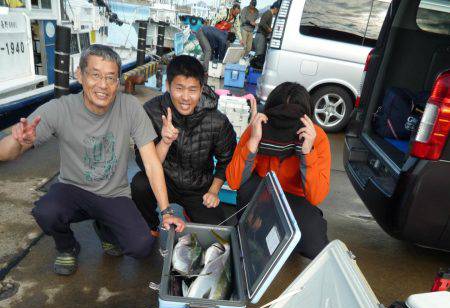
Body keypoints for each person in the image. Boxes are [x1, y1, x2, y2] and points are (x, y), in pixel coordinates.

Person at [0, 45, 184, 276]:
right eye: (95, 75)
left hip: (113, 194)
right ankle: (68, 247)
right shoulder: (60, 109)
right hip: (72, 189)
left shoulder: (130, 108)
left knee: (142, 246)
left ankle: (104, 226)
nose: (103, 85)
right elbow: (6, 153)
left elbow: (151, 162)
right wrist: (18, 140)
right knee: (46, 211)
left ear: (118, 81)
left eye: (110, 78)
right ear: (80, 75)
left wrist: (166, 211)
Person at [226, 82, 331, 259]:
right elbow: (234, 181)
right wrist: (253, 142)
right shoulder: (259, 128)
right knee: (253, 237)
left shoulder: (317, 137)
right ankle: (260, 230)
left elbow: (316, 196)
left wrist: (307, 152)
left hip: (296, 198)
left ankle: (284, 235)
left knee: (316, 246)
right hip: (264, 190)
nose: (284, 124)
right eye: (280, 115)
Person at [131, 55, 237, 228]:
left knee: (216, 234)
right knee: (139, 185)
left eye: (192, 89)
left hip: (199, 186)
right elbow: (146, 164)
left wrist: (214, 190)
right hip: (163, 179)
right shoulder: (151, 111)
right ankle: (150, 226)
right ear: (168, 85)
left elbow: (227, 159)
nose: (186, 97)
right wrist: (165, 142)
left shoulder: (217, 120)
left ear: (202, 88)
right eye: (179, 88)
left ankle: (192, 212)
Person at [196, 3, 243, 74]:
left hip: (220, 35)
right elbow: (214, 21)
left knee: (215, 50)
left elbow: (238, 29)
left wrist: (241, 39)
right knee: (209, 50)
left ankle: (212, 67)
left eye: (238, 13)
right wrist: (221, 61)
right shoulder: (224, 13)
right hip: (211, 33)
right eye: (236, 13)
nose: (236, 14)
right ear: (232, 9)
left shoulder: (236, 18)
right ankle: (204, 70)